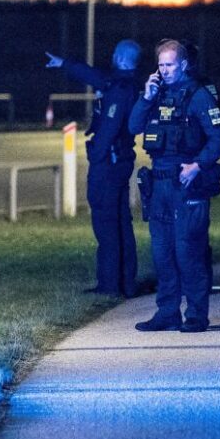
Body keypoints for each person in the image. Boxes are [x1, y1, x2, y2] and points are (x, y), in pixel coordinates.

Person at [127, 39, 220, 332]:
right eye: (161, 65)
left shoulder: (198, 95)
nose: (165, 70)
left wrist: (197, 166)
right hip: (159, 185)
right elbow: (133, 127)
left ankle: (196, 315)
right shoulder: (156, 93)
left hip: (187, 184)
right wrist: (146, 98)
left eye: (170, 65)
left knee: (188, 252)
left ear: (182, 65)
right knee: (162, 253)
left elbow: (219, 140)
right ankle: (167, 312)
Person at [45, 40, 142, 298]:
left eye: (114, 53)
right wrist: (65, 64)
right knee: (121, 222)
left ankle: (110, 285)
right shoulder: (127, 83)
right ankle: (126, 282)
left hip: (109, 164)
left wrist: (96, 156)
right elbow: (95, 77)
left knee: (106, 223)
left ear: (120, 57)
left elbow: (108, 129)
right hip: (120, 161)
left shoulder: (119, 90)